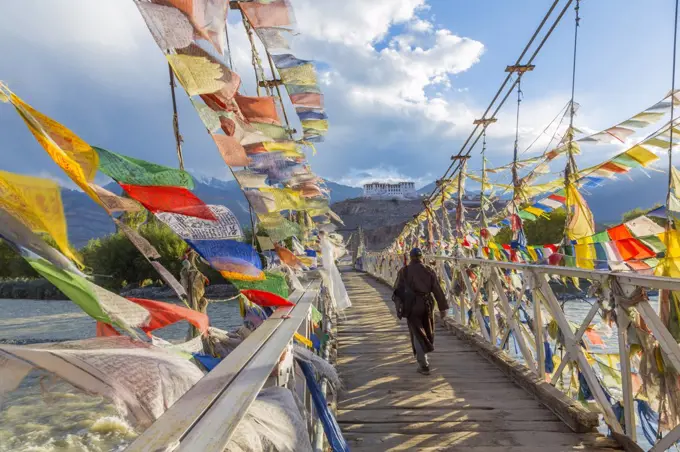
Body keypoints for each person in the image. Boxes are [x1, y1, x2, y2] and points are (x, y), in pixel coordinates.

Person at [393, 248, 449, 375]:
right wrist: (443, 308)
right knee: (427, 330)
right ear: (422, 257)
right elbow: (437, 290)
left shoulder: (404, 271)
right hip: (427, 304)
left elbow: (397, 290)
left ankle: (423, 365)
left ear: (411, 257)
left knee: (417, 332)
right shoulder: (429, 270)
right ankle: (425, 356)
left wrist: (399, 308)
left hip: (411, 305)